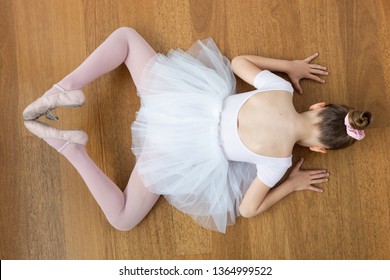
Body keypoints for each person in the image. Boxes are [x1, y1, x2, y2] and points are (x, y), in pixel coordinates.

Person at [23, 27, 372, 233]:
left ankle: (64, 88)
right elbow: (248, 210)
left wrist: (289, 67)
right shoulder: (278, 163)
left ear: (317, 106)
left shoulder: (279, 91)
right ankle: (71, 149)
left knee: (127, 37)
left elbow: (237, 63)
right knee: (122, 218)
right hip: (177, 154)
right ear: (319, 149)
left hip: (183, 101)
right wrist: (292, 184)